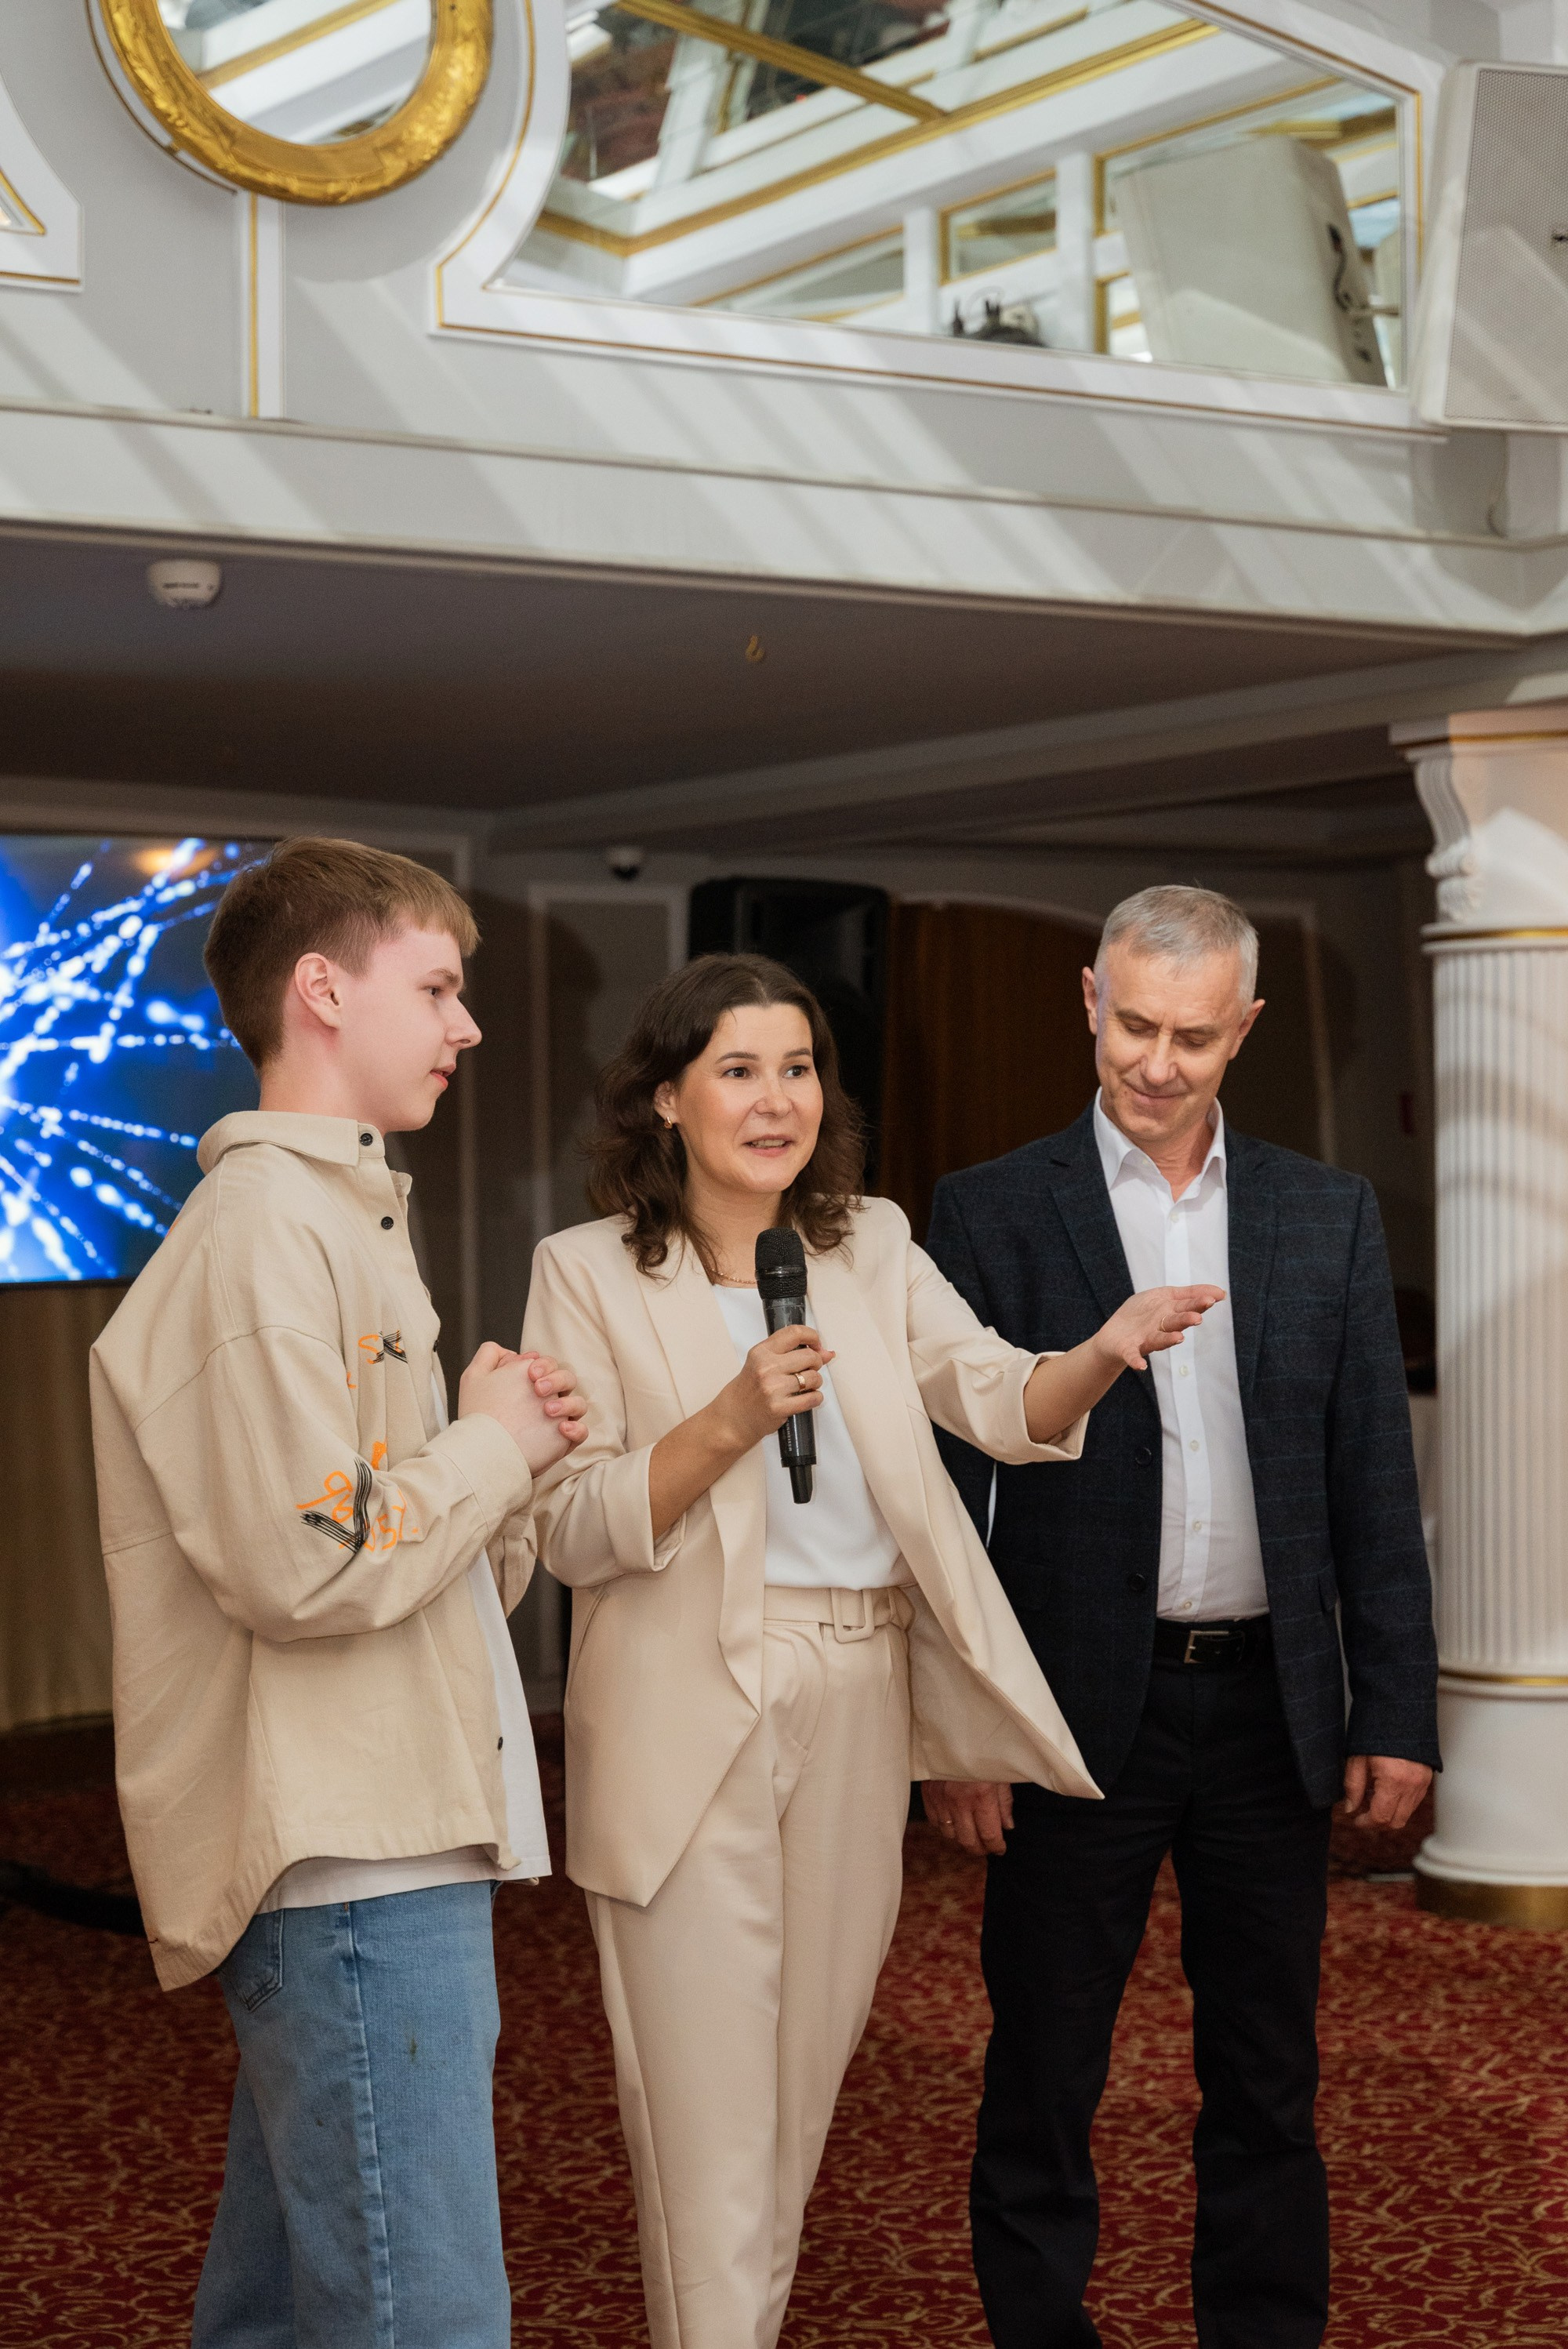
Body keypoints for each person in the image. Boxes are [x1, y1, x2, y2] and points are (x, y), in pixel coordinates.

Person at [517, 951, 1221, 2349]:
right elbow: (570, 1530)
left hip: (857, 1684)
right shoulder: (584, 1271)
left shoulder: (871, 1245)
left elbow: (995, 1394)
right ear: (667, 1099)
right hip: (684, 1699)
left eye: (798, 1069)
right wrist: (729, 1418)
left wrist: (1100, 1351)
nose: (776, 1100)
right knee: (706, 2112)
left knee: (796, 2095)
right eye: (737, 1070)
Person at [923, 884, 1439, 2349]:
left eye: (1194, 1038)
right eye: (1135, 1025)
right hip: (1070, 1717)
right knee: (1045, 2066)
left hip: (1271, 1712)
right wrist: (957, 1727)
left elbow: (1371, 1479)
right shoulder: (990, 1209)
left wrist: (1396, 1708)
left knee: (1269, 2075)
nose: (1157, 1063)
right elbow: (946, 1499)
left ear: (1246, 1030)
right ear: (1091, 1000)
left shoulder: (1326, 1214)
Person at [89, 837, 588, 2349]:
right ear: (321, 990)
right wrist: (489, 1451)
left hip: (383, 1829)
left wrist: (501, 1455)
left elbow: (401, 1566)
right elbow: (312, 1567)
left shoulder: (334, 1220)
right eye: (436, 988)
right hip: (356, 1864)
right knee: (419, 2319)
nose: (467, 1025)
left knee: (284, 2314)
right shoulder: (265, 1236)